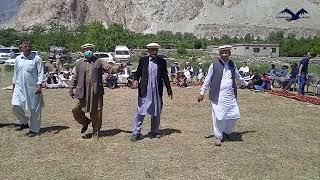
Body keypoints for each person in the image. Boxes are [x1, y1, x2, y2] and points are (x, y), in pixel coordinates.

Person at [69, 43, 123, 138]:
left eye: (90, 49)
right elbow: (75, 77)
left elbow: (110, 69)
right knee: (75, 109)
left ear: (93, 51)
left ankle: (96, 131)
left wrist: (120, 66)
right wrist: (71, 88)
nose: (88, 51)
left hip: (95, 91)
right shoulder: (79, 63)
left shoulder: (99, 61)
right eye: (86, 50)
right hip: (82, 91)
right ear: (83, 52)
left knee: (96, 112)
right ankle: (85, 122)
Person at [198, 45, 247, 146]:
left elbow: (238, 76)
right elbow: (207, 79)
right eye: (222, 53)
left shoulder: (232, 64)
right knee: (219, 117)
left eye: (226, 53)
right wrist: (202, 92)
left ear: (230, 54)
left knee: (233, 115)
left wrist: (245, 83)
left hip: (230, 95)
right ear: (219, 54)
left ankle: (227, 132)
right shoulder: (214, 65)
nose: (224, 55)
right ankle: (218, 136)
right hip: (218, 96)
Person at [130, 43, 173, 142]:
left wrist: (169, 89)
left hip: (157, 90)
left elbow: (165, 76)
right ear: (148, 50)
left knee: (156, 110)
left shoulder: (162, 62)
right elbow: (138, 73)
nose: (154, 51)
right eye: (152, 49)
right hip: (145, 89)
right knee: (141, 110)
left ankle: (155, 131)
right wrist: (136, 80)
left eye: (156, 50)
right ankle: (136, 132)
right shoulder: (143, 60)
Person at [11, 41, 44, 137]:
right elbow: (15, 73)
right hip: (19, 86)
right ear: (21, 48)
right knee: (15, 105)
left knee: (34, 109)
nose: (28, 48)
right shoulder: (18, 59)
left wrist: (39, 85)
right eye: (25, 46)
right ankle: (24, 122)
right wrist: (13, 86)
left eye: (29, 46)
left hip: (32, 87)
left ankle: (34, 129)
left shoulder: (36, 59)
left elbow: (41, 72)